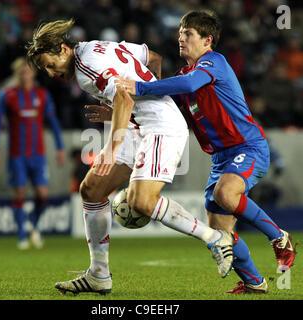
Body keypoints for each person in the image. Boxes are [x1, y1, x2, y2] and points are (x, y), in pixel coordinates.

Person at [26, 19, 235, 295]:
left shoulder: (86, 69)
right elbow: (153, 58)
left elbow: (124, 98)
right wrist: (143, 102)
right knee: (91, 190)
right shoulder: (96, 47)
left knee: (142, 201)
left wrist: (112, 148)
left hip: (161, 127)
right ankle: (99, 274)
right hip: (138, 125)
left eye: (50, 65)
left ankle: (215, 238)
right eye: (46, 71)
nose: (52, 74)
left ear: (63, 49)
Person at [115, 10, 296, 294]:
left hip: (247, 146)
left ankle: (279, 238)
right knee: (222, 235)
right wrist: (124, 116)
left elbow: (187, 85)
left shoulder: (214, 61)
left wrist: (138, 86)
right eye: (180, 33)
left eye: (188, 33)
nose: (181, 38)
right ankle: (254, 282)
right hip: (221, 158)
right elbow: (166, 112)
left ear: (207, 40)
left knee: (226, 195)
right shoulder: (183, 75)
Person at [0, 57, 65, 250]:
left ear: (33, 73)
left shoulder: (42, 94)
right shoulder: (8, 96)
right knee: (20, 194)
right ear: (17, 75)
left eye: (28, 71)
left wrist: (60, 148)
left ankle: (32, 222)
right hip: (17, 155)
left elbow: (53, 123)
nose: (25, 75)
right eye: (21, 72)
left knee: (42, 194)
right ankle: (22, 234)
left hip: (38, 155)